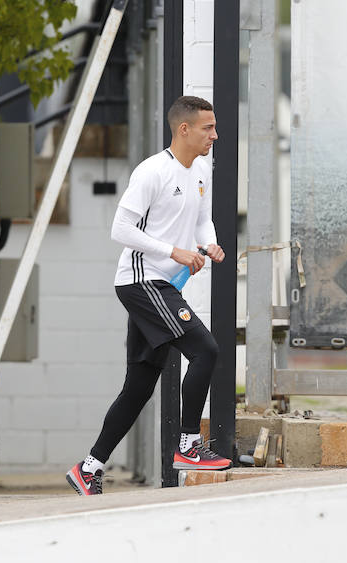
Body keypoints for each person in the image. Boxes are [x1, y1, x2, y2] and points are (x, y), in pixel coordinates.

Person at [66, 96, 230, 496]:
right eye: (208, 127)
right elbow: (120, 229)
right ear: (184, 130)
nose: (215, 134)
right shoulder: (152, 172)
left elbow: (201, 220)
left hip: (164, 284)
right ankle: (189, 446)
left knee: (139, 386)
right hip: (141, 281)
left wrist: (210, 245)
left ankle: (88, 469)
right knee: (206, 350)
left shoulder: (202, 168)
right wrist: (173, 251)